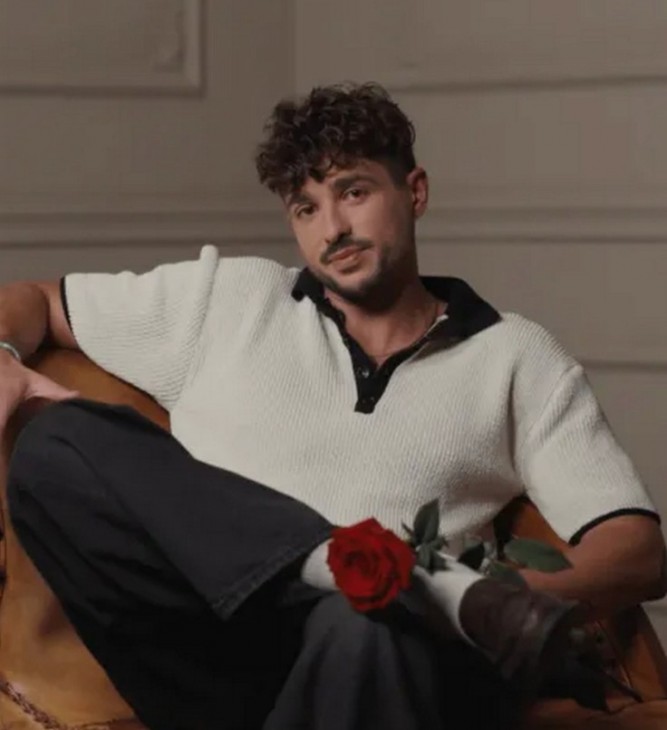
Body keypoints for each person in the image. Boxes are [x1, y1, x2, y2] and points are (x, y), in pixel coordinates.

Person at [1, 83, 665, 730]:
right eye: (306, 208)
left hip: (394, 657)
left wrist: (504, 602)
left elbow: (637, 552)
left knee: (370, 623)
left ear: (414, 191)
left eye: (353, 192)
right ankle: (413, 584)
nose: (334, 228)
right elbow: (35, 299)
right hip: (215, 654)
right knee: (56, 440)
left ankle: (412, 596)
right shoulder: (226, 298)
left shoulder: (515, 356)